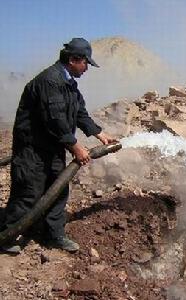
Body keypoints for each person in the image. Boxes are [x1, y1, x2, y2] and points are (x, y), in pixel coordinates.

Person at [1, 38, 115, 254]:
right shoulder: (50, 81)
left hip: (52, 148)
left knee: (58, 190)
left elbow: (79, 112)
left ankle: (53, 234)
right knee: (28, 191)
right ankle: (9, 235)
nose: (87, 69)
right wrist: (75, 147)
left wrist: (99, 133)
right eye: (85, 64)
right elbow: (55, 119)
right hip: (32, 149)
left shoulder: (69, 83)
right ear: (73, 59)